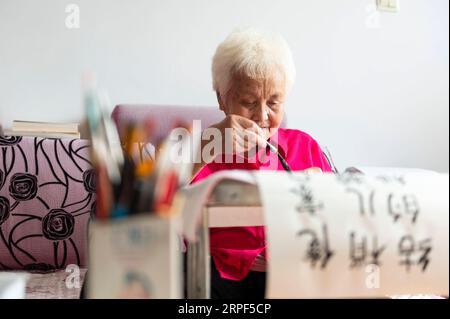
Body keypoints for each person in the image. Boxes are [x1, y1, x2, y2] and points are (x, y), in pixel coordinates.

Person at [190, 28, 333, 299]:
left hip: (294, 276)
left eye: (274, 102)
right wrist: (205, 148)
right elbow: (165, 206)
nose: (262, 115)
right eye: (249, 102)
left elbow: (336, 222)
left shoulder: (306, 147)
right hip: (220, 278)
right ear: (222, 99)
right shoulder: (202, 150)